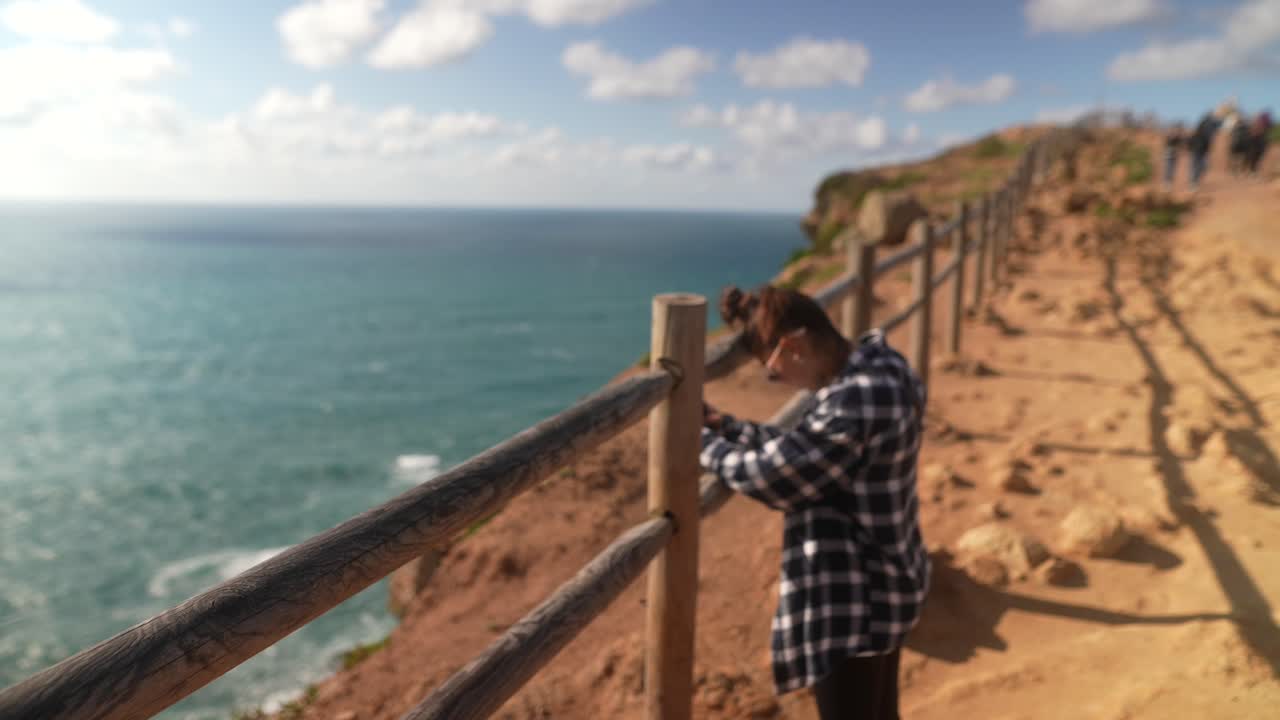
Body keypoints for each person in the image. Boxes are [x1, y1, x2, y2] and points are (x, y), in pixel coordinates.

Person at [700, 285, 930, 720]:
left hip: (854, 600)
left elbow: (776, 476)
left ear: (794, 346)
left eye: (773, 372)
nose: (779, 382)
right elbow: (809, 450)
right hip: (888, 582)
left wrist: (698, 441)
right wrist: (726, 427)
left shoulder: (855, 399)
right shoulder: (883, 367)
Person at [1187, 112, 1219, 191]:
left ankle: (1194, 181)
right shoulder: (1206, 125)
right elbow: (1208, 135)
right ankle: (1193, 182)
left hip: (1202, 149)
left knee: (1201, 166)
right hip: (1197, 149)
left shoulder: (1206, 125)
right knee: (1197, 165)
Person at [1247, 111, 1272, 176]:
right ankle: (1252, 170)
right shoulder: (1259, 123)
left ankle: (1253, 171)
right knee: (1254, 157)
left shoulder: (1264, 123)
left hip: (1258, 144)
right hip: (1255, 143)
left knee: (1256, 157)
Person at [1163, 122, 1185, 190]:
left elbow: (1181, 146)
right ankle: (1167, 183)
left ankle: (1170, 183)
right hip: (1169, 154)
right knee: (1168, 168)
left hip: (1175, 154)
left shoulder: (1179, 137)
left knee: (1172, 169)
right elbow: (1167, 144)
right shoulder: (1170, 136)